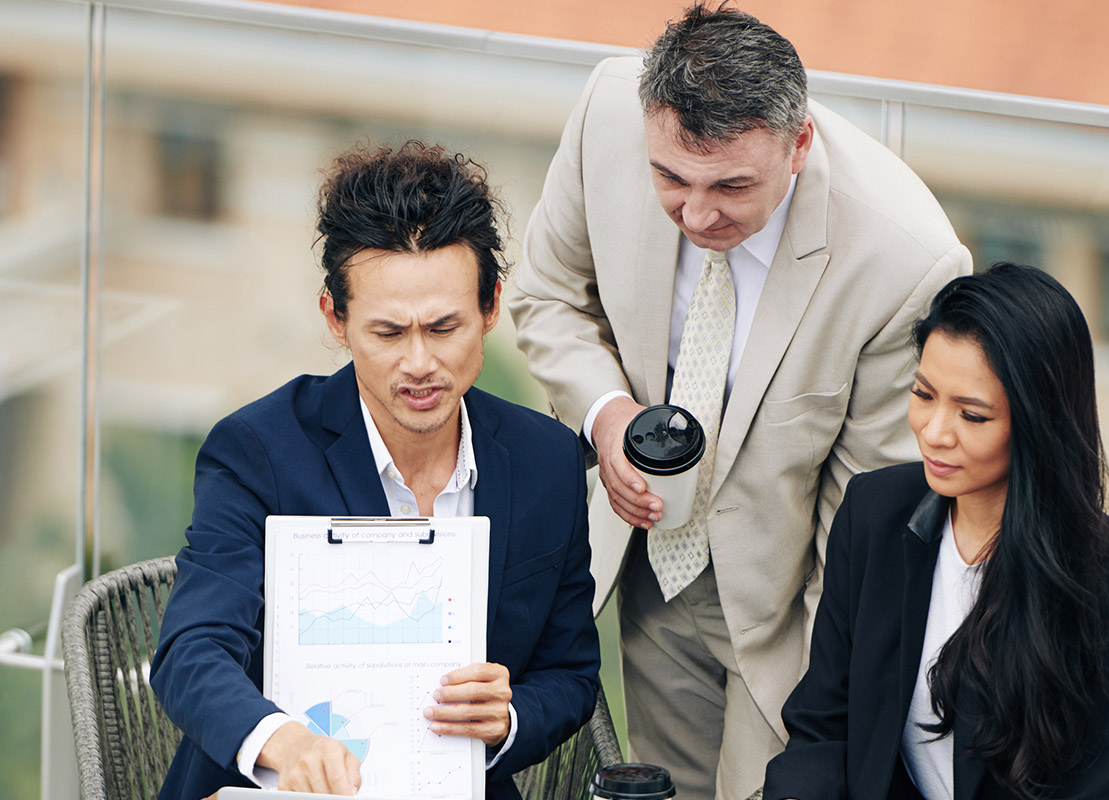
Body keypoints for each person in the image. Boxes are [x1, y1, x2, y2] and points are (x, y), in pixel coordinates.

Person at [508, 4, 971, 797]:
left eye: (731, 186)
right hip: (647, 563)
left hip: (789, 611)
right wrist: (608, 415)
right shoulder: (606, 114)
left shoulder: (906, 260)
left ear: (799, 145)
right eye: (671, 180)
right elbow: (546, 294)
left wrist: (824, 703)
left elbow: (862, 515)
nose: (696, 215)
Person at [149, 141, 601, 800]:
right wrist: (286, 744)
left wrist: (507, 719)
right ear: (336, 319)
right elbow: (192, 650)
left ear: (491, 307)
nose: (419, 364)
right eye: (388, 333)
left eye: (443, 328)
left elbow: (570, 673)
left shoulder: (547, 461)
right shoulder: (257, 450)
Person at [763, 263, 1109, 800]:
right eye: (924, 394)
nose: (934, 432)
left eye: (972, 416)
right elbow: (823, 723)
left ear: (1039, 422)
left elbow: (1089, 789)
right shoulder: (874, 513)